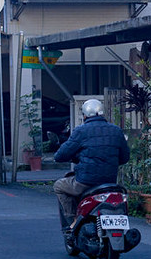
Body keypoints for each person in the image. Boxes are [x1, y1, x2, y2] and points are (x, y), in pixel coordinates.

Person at [53, 99, 129, 232]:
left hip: (85, 182)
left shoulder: (81, 131)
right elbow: (124, 158)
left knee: (59, 186)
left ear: (85, 115)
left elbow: (60, 156)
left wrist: (76, 158)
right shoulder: (116, 130)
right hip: (110, 183)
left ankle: (72, 222)